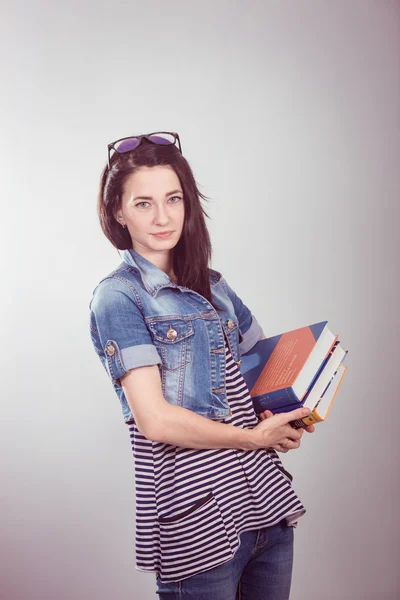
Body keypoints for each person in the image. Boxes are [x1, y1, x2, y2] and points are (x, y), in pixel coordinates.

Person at [89, 131, 315, 600]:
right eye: (144, 203)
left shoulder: (215, 286)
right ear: (118, 212)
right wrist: (253, 437)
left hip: (265, 511)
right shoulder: (118, 297)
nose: (163, 216)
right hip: (200, 527)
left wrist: (287, 413)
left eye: (173, 198)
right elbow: (155, 420)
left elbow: (265, 372)